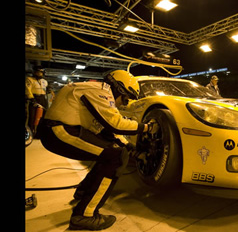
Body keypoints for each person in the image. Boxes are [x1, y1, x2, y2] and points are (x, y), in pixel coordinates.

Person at [39, 70, 158, 230]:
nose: (124, 104)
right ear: (120, 88)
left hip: (61, 129)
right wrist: (146, 127)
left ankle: (83, 193)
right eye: (126, 98)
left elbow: (109, 133)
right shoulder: (100, 91)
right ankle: (84, 216)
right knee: (114, 157)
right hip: (59, 131)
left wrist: (132, 149)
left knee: (111, 152)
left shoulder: (94, 90)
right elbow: (115, 124)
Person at [25, 66, 50, 133]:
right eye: (38, 72)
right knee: (32, 117)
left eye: (41, 73)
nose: (39, 74)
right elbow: (28, 89)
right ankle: (30, 132)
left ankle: (39, 132)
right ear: (34, 72)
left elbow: (46, 89)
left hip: (42, 98)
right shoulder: (29, 79)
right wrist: (31, 98)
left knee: (42, 116)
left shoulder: (44, 81)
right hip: (34, 98)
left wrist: (49, 90)